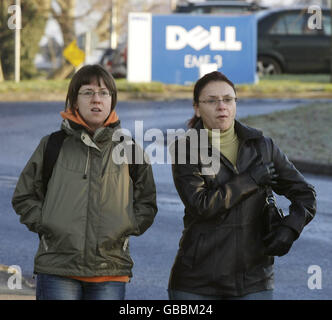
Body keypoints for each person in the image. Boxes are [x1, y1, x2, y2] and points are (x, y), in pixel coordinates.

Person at [12, 64, 157, 300]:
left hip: (110, 270)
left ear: (112, 100)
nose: (96, 100)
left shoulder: (129, 150)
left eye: (103, 93)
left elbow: (147, 201)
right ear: (74, 100)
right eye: (88, 92)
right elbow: (24, 195)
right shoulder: (52, 145)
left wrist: (125, 228)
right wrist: (46, 224)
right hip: (58, 268)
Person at [168, 71, 316, 300]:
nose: (221, 106)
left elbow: (305, 193)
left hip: (255, 280)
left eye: (228, 99)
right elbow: (202, 205)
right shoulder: (186, 148)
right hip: (197, 282)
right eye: (212, 100)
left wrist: (291, 227)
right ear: (197, 108)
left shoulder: (262, 146)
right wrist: (251, 180)